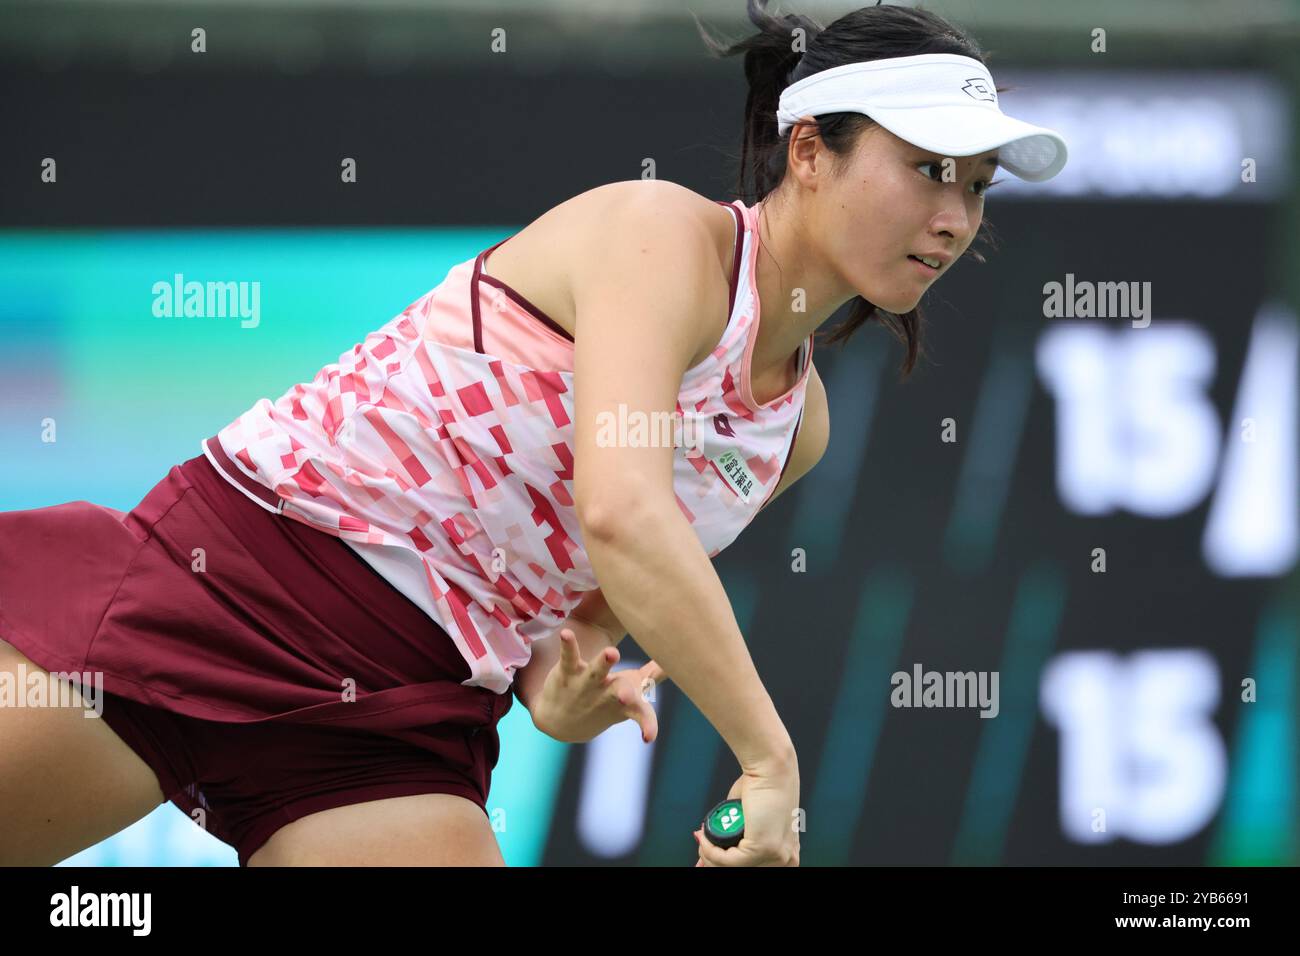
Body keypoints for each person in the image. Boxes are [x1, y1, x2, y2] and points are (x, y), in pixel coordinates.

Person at [0, 0, 1066, 868]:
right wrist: (770, 758)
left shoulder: (797, 431)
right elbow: (620, 510)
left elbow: (580, 623)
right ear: (809, 150)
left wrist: (566, 685)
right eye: (927, 168)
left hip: (396, 723)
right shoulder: (663, 236)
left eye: (975, 188)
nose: (954, 217)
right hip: (241, 580)